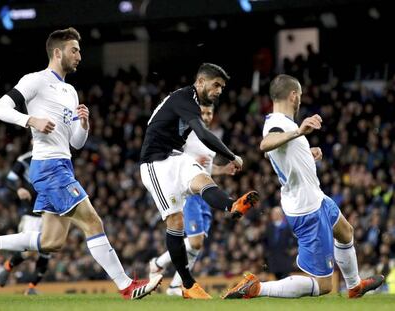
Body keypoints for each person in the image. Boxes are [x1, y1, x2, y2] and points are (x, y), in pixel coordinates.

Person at [0, 27, 162, 299]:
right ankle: (126, 286)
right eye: (74, 50)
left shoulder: (70, 91)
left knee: (51, 242)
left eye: (79, 50)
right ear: (57, 52)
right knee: (93, 221)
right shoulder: (35, 80)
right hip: (49, 167)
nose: (79, 55)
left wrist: (85, 125)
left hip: (63, 164)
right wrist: (31, 120)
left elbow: (76, 143)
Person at [223, 74, 384, 299]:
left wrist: (308, 154)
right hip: (307, 206)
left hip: (315, 196)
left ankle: (355, 286)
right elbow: (265, 144)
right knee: (324, 285)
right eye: (300, 95)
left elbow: (282, 157)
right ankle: (257, 288)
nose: (300, 99)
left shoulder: (282, 123)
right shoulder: (277, 124)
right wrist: (299, 131)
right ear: (293, 95)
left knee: (345, 232)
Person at [139, 62, 259, 299]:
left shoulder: (192, 103)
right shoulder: (183, 98)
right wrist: (232, 155)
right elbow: (203, 135)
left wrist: (224, 163)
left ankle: (232, 204)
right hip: (155, 163)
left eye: (222, 88)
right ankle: (187, 284)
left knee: (201, 178)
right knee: (175, 221)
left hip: (176, 156)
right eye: (216, 85)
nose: (219, 91)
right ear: (201, 81)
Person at [148, 103, 236, 296]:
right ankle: (158, 263)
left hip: (205, 195)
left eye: (209, 113)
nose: (206, 116)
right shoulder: (187, 134)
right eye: (203, 112)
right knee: (195, 242)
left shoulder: (210, 138)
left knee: (199, 242)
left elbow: (206, 170)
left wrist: (222, 170)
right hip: (189, 194)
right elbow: (178, 161)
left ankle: (175, 287)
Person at [0, 149, 50, 295]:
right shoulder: (25, 159)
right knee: (29, 252)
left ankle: (31, 288)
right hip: (32, 213)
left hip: (50, 214)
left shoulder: (55, 155)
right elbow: (10, 179)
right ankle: (8, 266)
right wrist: (19, 188)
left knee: (46, 252)